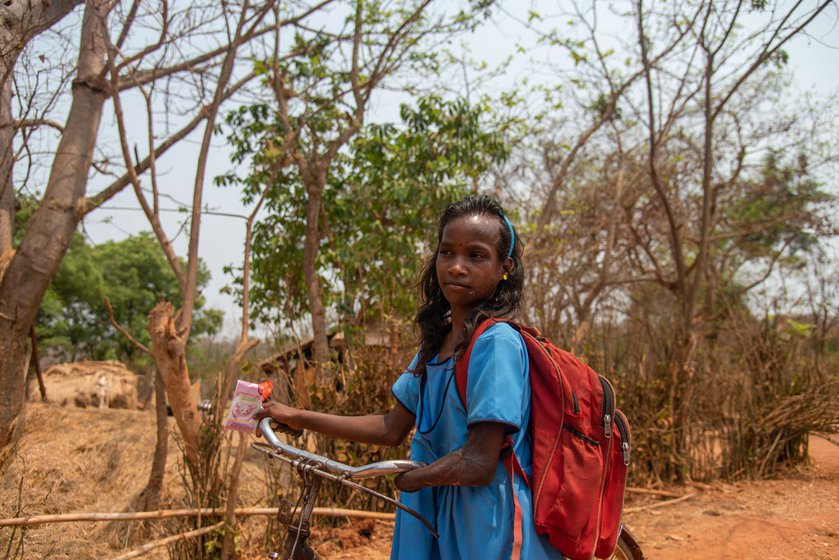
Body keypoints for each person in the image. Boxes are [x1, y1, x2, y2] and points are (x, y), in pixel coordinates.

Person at [256, 195, 562, 559]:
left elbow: (479, 463)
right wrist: (297, 416)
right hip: (429, 509)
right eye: (447, 253)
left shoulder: (496, 344)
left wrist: (414, 479)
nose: (456, 267)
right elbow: (390, 428)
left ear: (504, 267)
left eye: (476, 256)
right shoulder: (436, 345)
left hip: (484, 521)